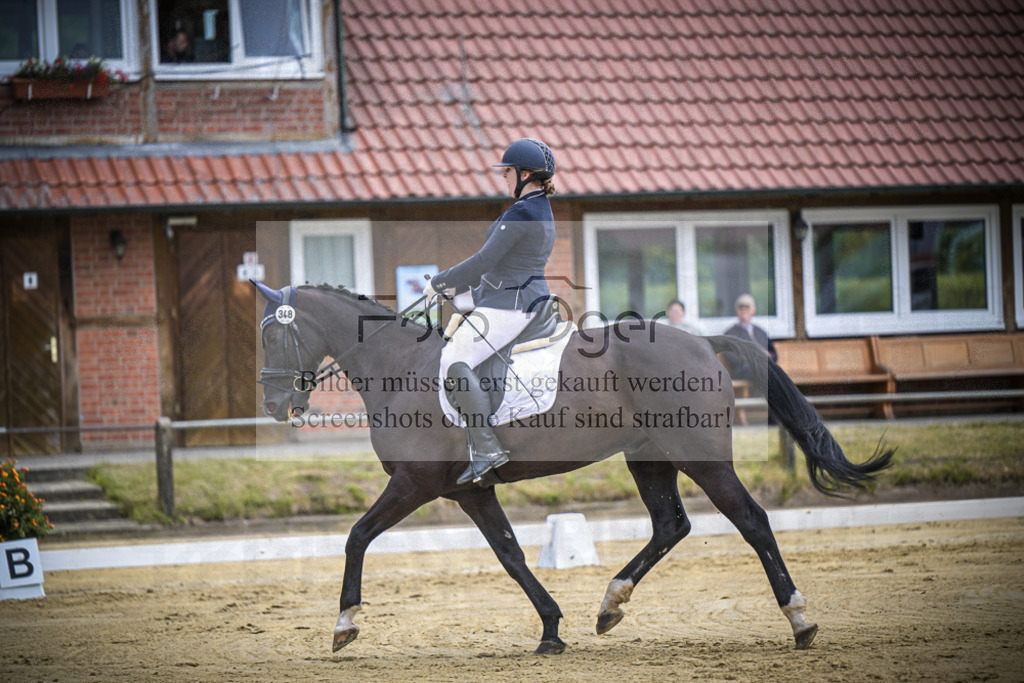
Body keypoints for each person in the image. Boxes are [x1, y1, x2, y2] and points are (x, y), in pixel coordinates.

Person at [423, 138, 557, 485]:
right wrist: (466, 293)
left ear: (524, 174)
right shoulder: (538, 207)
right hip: (513, 297)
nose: (503, 179)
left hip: (513, 305)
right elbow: (505, 269)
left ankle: (486, 448)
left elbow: (485, 261)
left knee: (453, 359)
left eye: (507, 172)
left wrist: (439, 282)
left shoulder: (524, 212)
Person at [723, 293, 777, 379]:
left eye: (747, 307)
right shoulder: (730, 333)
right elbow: (729, 356)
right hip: (742, 370)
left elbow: (773, 353)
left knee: (774, 371)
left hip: (765, 367)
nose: (744, 310)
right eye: (741, 308)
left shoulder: (761, 332)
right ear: (736, 311)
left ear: (753, 310)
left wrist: (769, 356)